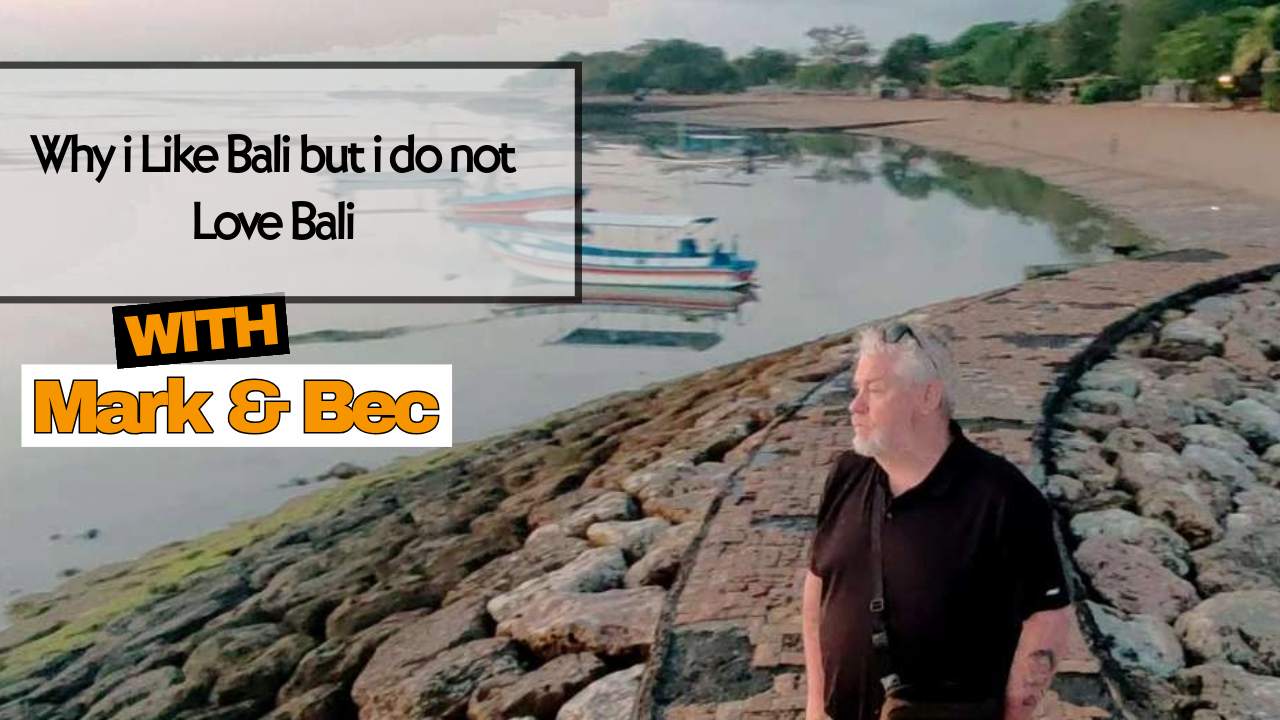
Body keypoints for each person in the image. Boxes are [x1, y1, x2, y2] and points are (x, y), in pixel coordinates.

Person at [803, 321, 1074, 720]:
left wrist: (1015, 713)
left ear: (928, 396)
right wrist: (815, 704)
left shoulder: (1002, 497)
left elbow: (1048, 616)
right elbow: (819, 589)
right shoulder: (848, 473)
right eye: (856, 389)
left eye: (875, 390)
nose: (854, 405)